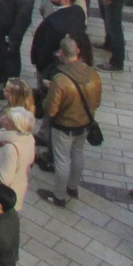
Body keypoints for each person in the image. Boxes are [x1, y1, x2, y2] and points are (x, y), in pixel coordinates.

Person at [38, 38, 102, 209]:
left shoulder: (60, 79)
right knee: (78, 153)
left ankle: (59, 196)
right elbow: (97, 102)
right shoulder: (92, 73)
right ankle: (73, 187)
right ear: (78, 52)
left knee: (62, 160)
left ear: (62, 53)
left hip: (64, 126)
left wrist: (49, 90)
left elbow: (50, 110)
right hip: (85, 123)